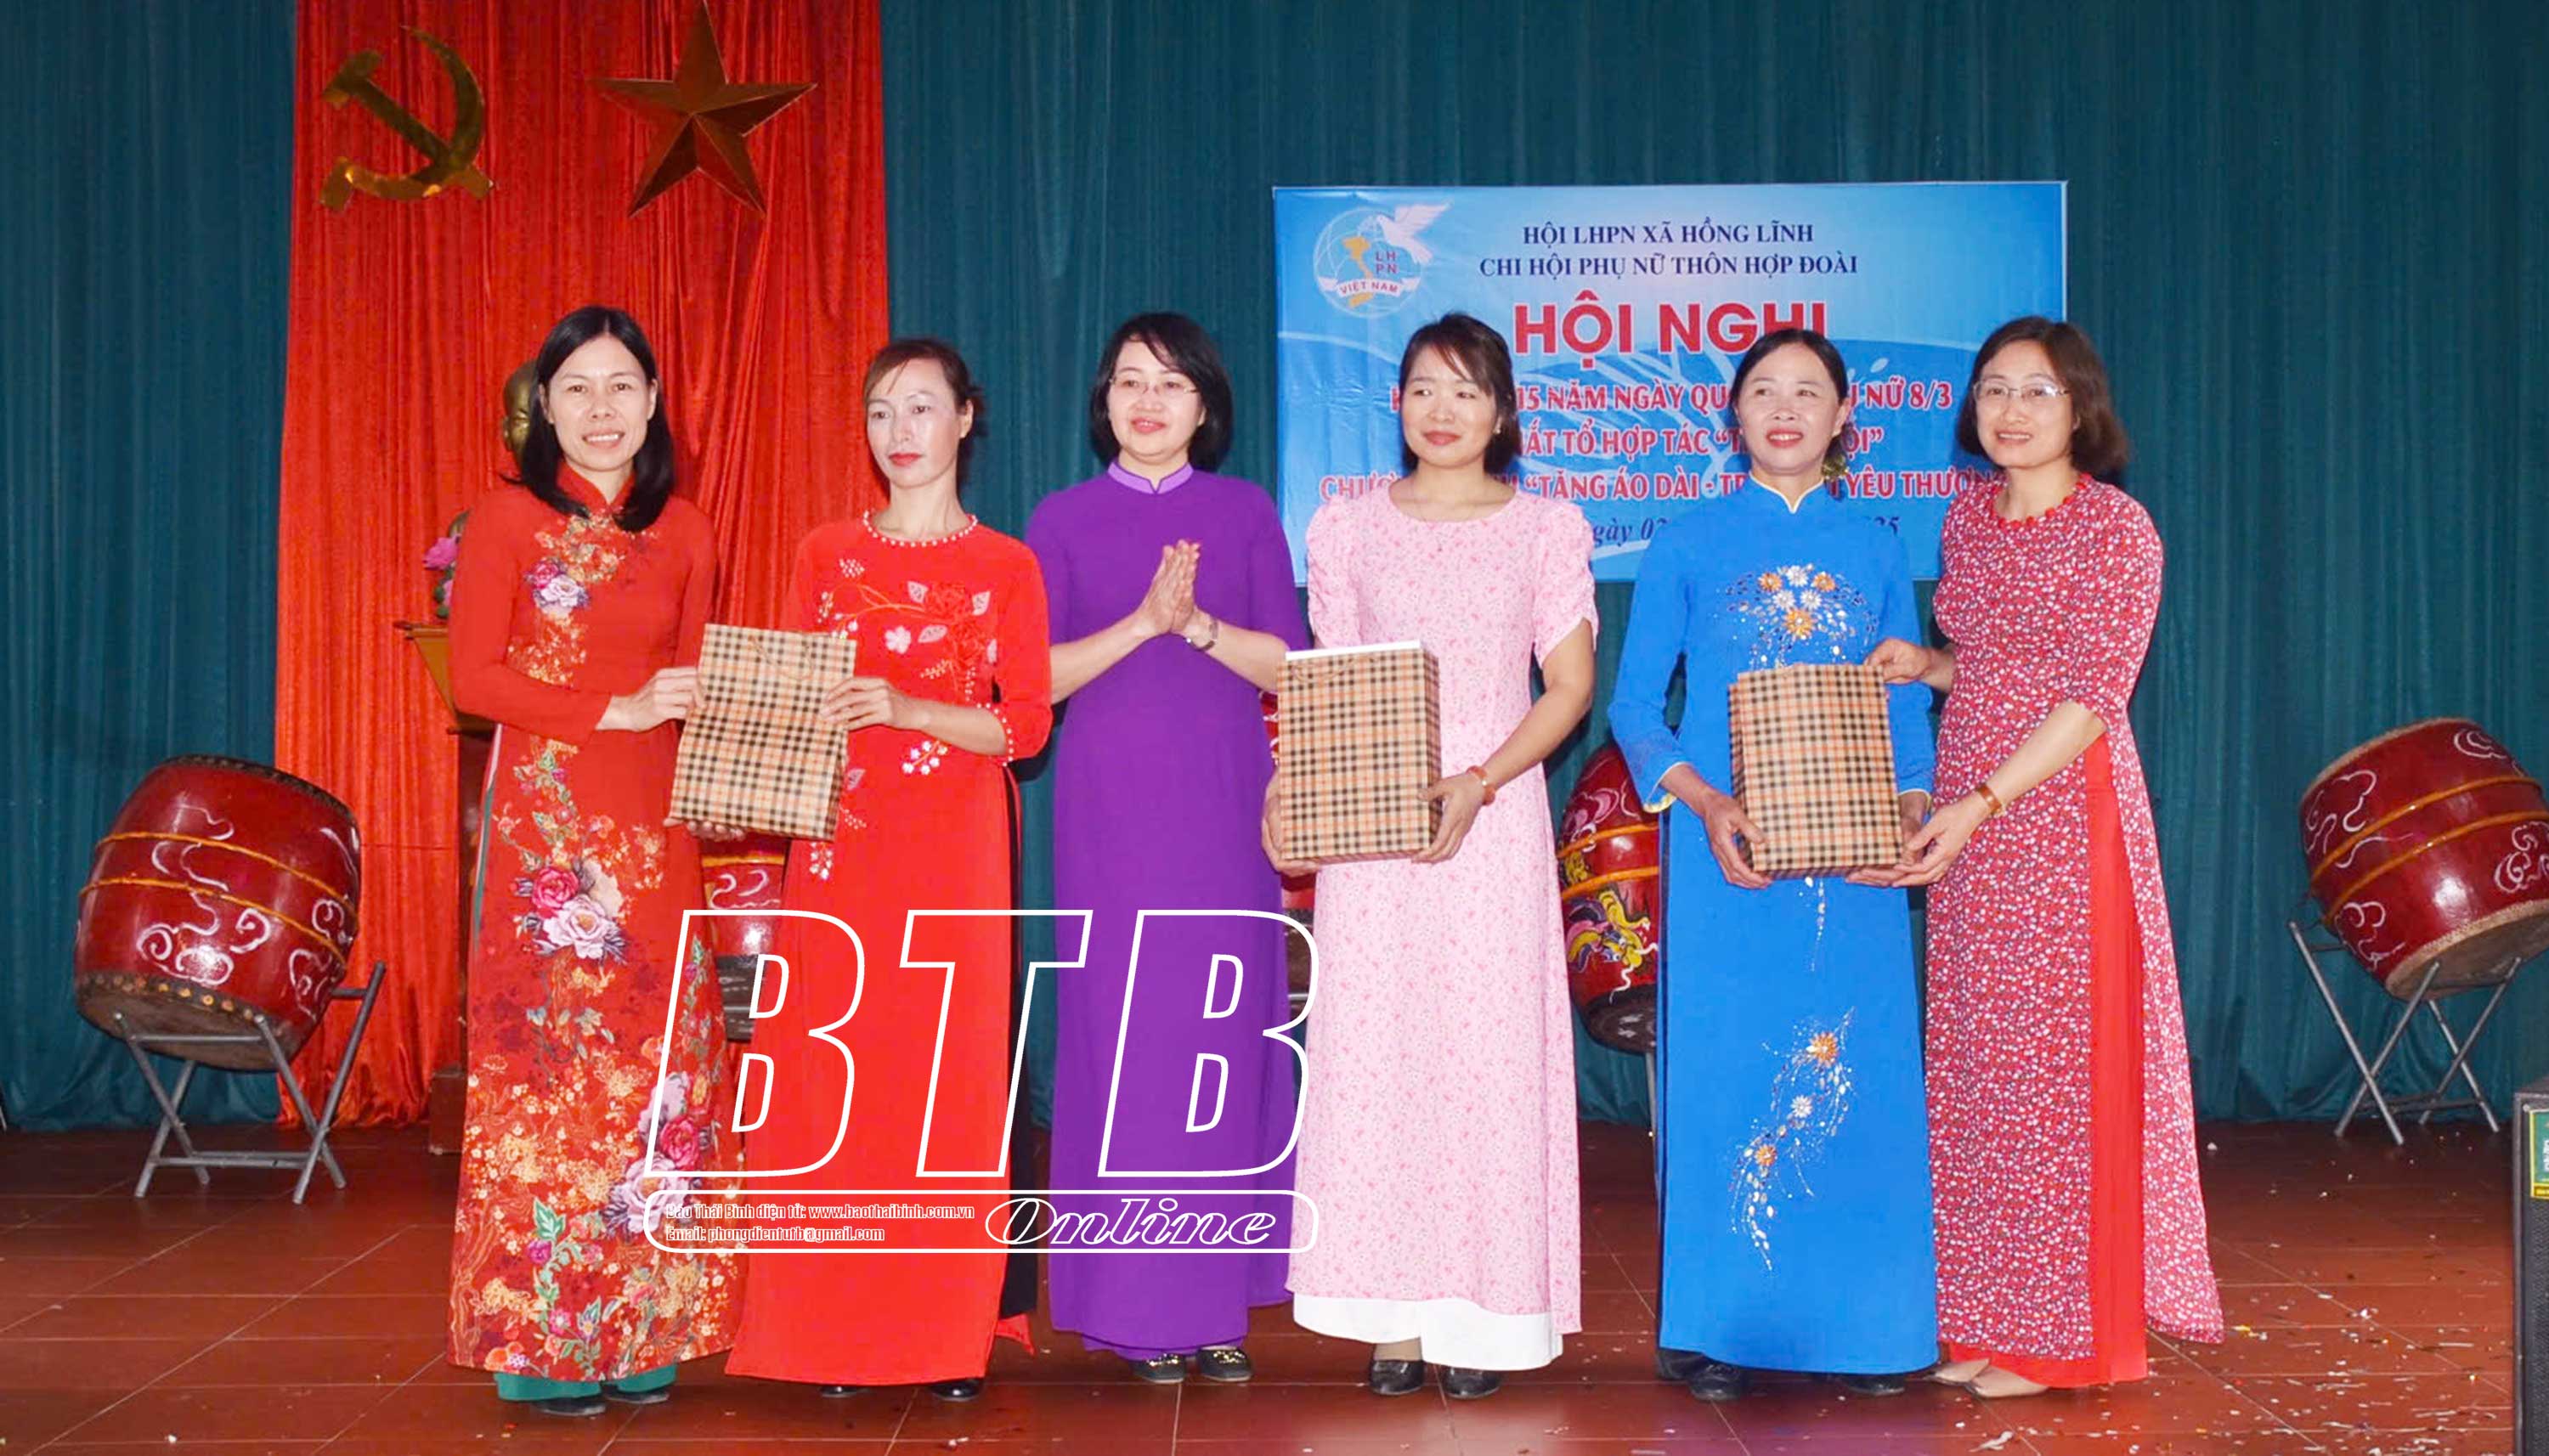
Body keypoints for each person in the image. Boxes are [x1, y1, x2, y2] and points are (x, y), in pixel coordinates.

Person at [1867, 316, 2223, 1398]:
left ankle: (2065, 1337)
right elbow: (1987, 663)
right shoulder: (1969, 518)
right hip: (1973, 822)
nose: (2010, 411)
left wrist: (1981, 803)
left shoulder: (2117, 530)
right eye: (1993, 389)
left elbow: (2089, 696)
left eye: (2036, 391)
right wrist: (1926, 663)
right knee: (1981, 1074)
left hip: (2060, 819)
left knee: (2057, 1078)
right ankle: (1987, 1316)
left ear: (2081, 409)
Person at [1269, 312, 1596, 1402]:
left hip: (1491, 820)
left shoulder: (1545, 526)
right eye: (1422, 388)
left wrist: (1482, 780)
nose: (1442, 409)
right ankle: (1389, 1314)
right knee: (1380, 1059)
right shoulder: (1347, 527)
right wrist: (1295, 786)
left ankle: (1485, 1316)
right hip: (1375, 832)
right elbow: (1335, 685)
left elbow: (1570, 688)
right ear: (1396, 403)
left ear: (1502, 411)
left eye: (1466, 389)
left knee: (1488, 1061)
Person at [1608, 328, 1939, 1402]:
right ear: (1734, 415)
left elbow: (1904, 701)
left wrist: (1912, 806)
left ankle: (1873, 1329)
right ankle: (1713, 1326)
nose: (1785, 408)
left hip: (1856, 866)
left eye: (1808, 391)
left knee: (1857, 1077)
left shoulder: (1878, 546)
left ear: (1846, 416)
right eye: (1763, 390)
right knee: (1727, 1072)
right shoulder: (1686, 542)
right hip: (1729, 852)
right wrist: (1706, 803)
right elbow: (1633, 705)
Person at [725, 339, 1053, 1402]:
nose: (899, 431)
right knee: (836, 1076)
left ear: (966, 418)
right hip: (842, 844)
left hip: (957, 845)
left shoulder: (1007, 565)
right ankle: (833, 1331)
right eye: (880, 411)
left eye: (921, 407)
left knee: (946, 1081)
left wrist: (911, 708)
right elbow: (789, 702)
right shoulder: (825, 553)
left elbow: (1027, 726)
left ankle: (943, 1332)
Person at [444, 305, 735, 1418]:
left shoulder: (689, 530)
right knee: (547, 1076)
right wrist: (615, 706)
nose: (601, 409)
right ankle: (539, 1338)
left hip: (656, 830)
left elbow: (696, 687)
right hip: (547, 840)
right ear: (545, 408)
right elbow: (476, 678)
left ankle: (645, 1324)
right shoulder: (507, 520)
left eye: (621, 386)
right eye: (578, 388)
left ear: (654, 402)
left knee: (656, 1073)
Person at [1026, 313, 1307, 1384]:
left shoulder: (1243, 512)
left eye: (1173, 383)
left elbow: (1291, 666)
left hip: (1224, 812)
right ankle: (1132, 1304)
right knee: (1127, 1044)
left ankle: (1211, 1301)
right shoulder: (1060, 518)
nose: (1149, 401)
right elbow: (1034, 682)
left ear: (1206, 406)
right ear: (1103, 399)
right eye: (1130, 381)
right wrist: (1143, 622)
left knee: (1217, 1041)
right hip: (1108, 817)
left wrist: (1195, 626)